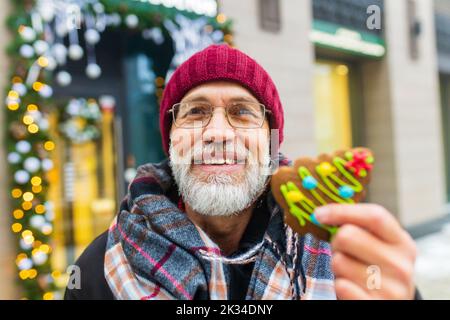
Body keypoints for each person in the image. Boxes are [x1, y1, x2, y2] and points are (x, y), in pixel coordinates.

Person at [65, 44, 419, 300]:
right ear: (171, 141)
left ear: (271, 142)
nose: (217, 133)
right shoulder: (99, 272)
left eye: (243, 112)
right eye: (195, 113)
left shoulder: (350, 262)